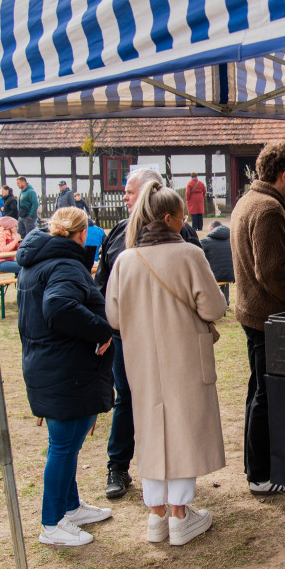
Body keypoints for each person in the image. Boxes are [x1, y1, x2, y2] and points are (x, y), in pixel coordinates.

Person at [105, 182, 226, 546]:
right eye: (183, 215)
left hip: (142, 358)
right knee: (185, 428)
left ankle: (156, 515)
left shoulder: (126, 258)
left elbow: (112, 315)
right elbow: (214, 308)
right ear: (170, 217)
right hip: (186, 352)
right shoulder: (189, 254)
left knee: (151, 430)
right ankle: (179, 514)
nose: (186, 221)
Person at [94, 169, 201, 500]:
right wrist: (105, 329)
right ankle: (118, 466)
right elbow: (103, 284)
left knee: (175, 403)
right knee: (128, 398)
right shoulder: (118, 234)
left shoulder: (181, 232)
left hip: (174, 338)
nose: (125, 197)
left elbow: (198, 282)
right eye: (125, 192)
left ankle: (176, 476)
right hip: (129, 338)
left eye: (130, 192)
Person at [15, 206, 114, 546]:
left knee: (67, 443)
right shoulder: (65, 263)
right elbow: (58, 307)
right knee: (63, 445)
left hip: (52, 363)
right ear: (82, 233)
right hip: (64, 367)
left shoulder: (39, 259)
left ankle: (70, 507)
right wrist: (102, 330)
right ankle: (52, 522)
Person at [231, 141, 285, 496]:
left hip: (261, 316)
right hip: (271, 318)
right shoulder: (266, 209)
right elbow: (271, 272)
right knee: (267, 396)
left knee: (260, 391)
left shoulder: (251, 201)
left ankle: (258, 469)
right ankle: (262, 475)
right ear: (283, 175)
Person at [201, 222, 235, 306]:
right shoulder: (232, 240)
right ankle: (226, 302)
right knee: (224, 272)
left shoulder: (206, 241)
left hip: (214, 276)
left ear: (212, 229)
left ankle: (211, 303)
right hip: (231, 275)